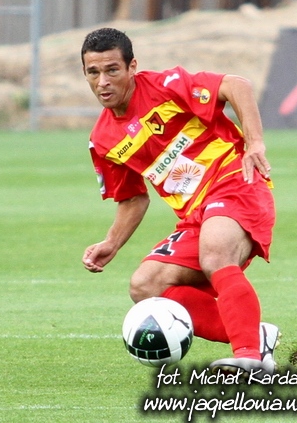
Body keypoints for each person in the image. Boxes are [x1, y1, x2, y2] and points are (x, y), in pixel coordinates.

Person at [80, 27, 280, 375]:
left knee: (215, 254)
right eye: (93, 72)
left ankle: (249, 357)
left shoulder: (166, 86)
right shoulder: (104, 139)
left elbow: (237, 85)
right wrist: (111, 242)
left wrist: (255, 143)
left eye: (112, 70)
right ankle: (256, 337)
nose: (103, 82)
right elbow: (133, 197)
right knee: (146, 285)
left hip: (235, 182)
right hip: (195, 215)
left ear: (132, 67)